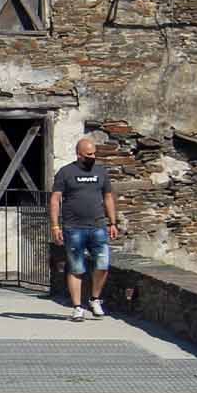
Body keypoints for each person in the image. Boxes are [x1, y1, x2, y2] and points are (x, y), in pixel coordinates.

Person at [50, 136, 121, 320]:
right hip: (74, 227)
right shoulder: (66, 172)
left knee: (103, 265)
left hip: (98, 225)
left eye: (94, 153)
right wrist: (55, 225)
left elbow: (108, 197)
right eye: (89, 154)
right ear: (79, 154)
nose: (93, 157)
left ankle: (94, 299)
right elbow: (55, 199)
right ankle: (77, 306)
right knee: (76, 268)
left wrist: (113, 222)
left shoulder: (100, 172)